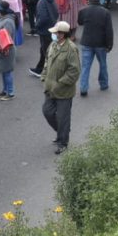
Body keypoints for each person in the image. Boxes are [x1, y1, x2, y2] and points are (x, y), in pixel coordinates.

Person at [41, 21, 79, 154]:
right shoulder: (53, 45)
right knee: (47, 111)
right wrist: (44, 76)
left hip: (64, 91)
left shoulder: (71, 49)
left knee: (63, 117)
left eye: (57, 32)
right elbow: (47, 61)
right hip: (50, 88)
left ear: (63, 34)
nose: (55, 34)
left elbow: (74, 71)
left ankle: (63, 142)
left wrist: (59, 83)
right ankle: (62, 131)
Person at [76, 0, 112, 96]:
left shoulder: (83, 11)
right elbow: (109, 30)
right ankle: (104, 84)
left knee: (85, 66)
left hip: (87, 42)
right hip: (101, 43)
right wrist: (109, 44)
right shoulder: (105, 12)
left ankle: (83, 88)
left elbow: (80, 22)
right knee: (103, 64)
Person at [27, 0, 57, 77]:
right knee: (45, 50)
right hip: (52, 27)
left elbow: (43, 17)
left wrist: (36, 26)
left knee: (46, 51)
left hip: (44, 30)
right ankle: (40, 69)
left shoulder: (42, 1)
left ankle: (47, 71)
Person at [0, 3, 16, 101]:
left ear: (1, 11)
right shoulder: (4, 20)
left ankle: (10, 92)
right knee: (4, 72)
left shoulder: (8, 22)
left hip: (6, 50)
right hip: (1, 50)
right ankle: (5, 90)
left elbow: (5, 36)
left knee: (7, 72)